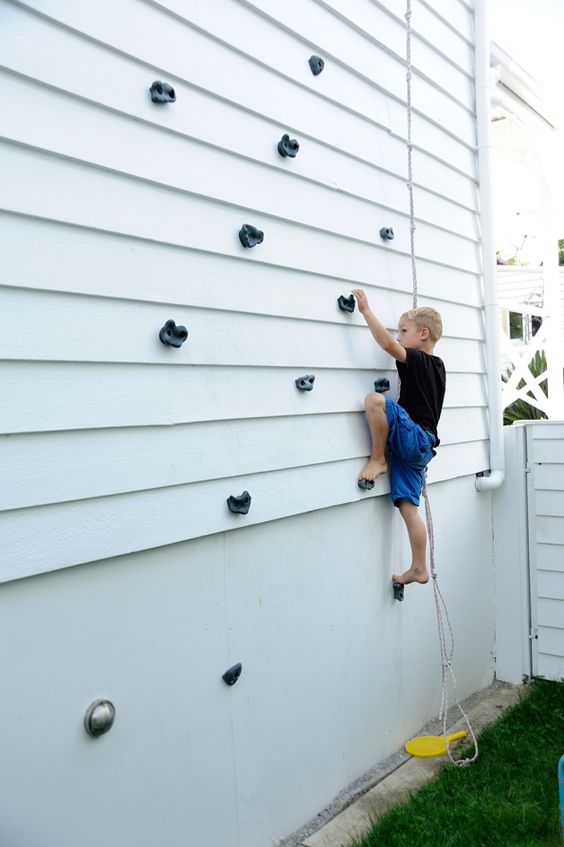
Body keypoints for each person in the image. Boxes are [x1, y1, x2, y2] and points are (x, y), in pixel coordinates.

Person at [351, 290, 446, 587]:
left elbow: (388, 345)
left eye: (404, 331)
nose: (399, 336)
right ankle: (419, 567)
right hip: (422, 447)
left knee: (375, 401)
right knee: (408, 506)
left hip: (416, 436)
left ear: (423, 334)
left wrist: (366, 311)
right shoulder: (439, 366)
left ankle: (378, 458)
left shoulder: (417, 359)